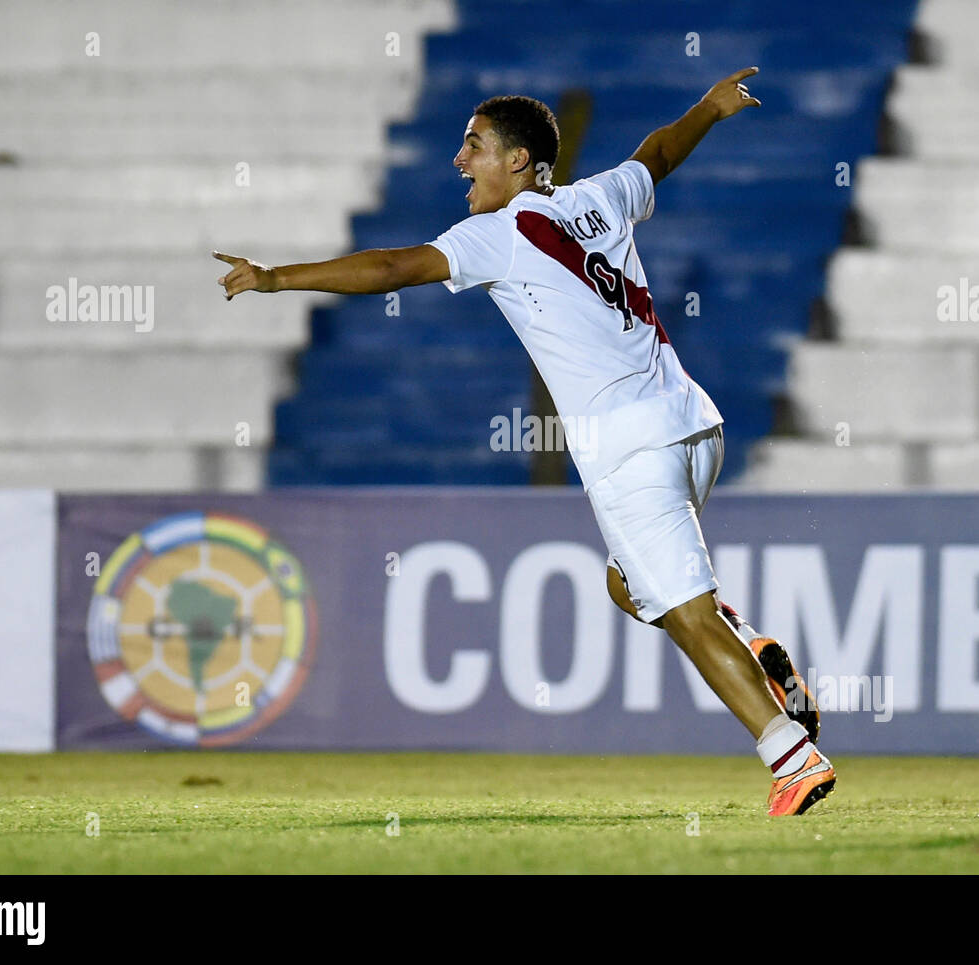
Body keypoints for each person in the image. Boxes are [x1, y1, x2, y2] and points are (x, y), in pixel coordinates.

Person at [215, 67, 833, 816]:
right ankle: (754, 645)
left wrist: (276, 278)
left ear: (516, 161)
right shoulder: (599, 196)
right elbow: (660, 153)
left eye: (473, 145)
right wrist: (710, 106)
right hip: (694, 423)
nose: (458, 162)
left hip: (631, 444)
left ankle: (791, 756)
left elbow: (390, 267)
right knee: (630, 585)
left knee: (685, 613)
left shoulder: (498, 235)